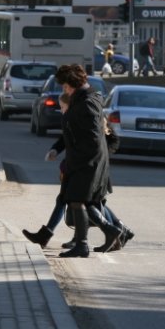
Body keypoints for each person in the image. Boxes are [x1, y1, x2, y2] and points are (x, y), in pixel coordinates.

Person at [22, 93, 132, 251]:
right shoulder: (72, 119)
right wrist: (55, 150)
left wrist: (100, 155)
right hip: (76, 166)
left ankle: (116, 231)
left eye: (63, 107)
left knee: (90, 203)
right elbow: (66, 139)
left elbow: (112, 140)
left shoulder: (94, 118)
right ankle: (105, 234)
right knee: (73, 201)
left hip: (92, 169)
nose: (61, 110)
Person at [53, 64, 113, 258]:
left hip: (87, 161)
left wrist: (80, 158)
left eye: (65, 86)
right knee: (78, 200)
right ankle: (106, 233)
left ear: (73, 84)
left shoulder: (86, 102)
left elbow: (93, 136)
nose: (64, 90)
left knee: (78, 200)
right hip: (83, 159)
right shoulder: (84, 98)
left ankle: (83, 245)